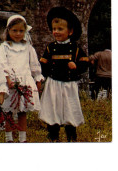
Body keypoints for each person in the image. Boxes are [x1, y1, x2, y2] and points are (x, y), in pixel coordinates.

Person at [39, 7, 89, 142]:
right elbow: (43, 64)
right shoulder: (50, 47)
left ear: (70, 31)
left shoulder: (76, 48)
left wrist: (76, 66)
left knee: (69, 108)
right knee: (52, 108)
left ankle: (71, 136)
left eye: (60, 29)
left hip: (69, 84)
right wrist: (43, 76)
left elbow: (85, 63)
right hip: (53, 84)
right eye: (54, 29)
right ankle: (53, 135)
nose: (56, 32)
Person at [0, 15, 44, 143]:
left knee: (22, 111)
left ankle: (23, 139)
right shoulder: (5, 46)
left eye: (21, 31)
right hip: (10, 82)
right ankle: (9, 138)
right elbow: (2, 63)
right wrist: (8, 80)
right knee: (9, 111)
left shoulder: (28, 47)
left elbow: (34, 64)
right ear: (8, 31)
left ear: (25, 32)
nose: (18, 34)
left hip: (24, 82)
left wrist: (37, 79)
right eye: (14, 31)